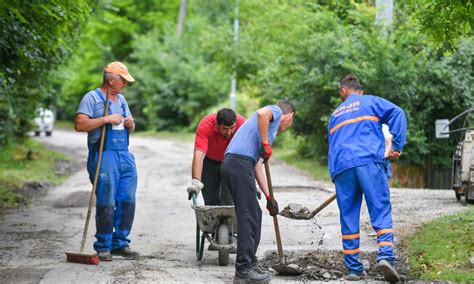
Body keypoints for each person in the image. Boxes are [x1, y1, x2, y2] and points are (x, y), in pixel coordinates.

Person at [328, 74, 406, 282]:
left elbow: (332, 146)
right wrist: (397, 146)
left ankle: (354, 268)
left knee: (348, 216)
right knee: (380, 208)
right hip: (368, 162)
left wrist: (335, 175)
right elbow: (398, 113)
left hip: (342, 167)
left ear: (344, 92)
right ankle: (386, 256)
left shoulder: (335, 114)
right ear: (358, 91)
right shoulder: (370, 101)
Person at [221, 100, 296, 283]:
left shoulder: (270, 131)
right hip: (239, 162)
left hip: (237, 164)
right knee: (248, 216)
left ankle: (250, 263)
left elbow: (258, 167)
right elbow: (262, 114)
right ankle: (243, 270)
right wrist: (264, 142)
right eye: (291, 121)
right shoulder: (276, 112)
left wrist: (269, 196)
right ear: (290, 116)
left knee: (255, 213)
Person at [75, 62, 140, 261]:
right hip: (103, 154)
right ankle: (103, 245)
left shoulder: (121, 100)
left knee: (127, 199)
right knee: (107, 200)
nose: (125, 86)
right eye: (123, 81)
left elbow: (131, 127)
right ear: (111, 80)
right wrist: (105, 119)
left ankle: (120, 243)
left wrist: (130, 123)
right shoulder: (92, 98)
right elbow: (79, 124)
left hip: (124, 154)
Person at [186, 108, 245, 206]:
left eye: (232, 127)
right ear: (217, 124)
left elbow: (248, 153)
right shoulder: (205, 125)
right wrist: (196, 182)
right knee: (211, 202)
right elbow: (199, 155)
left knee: (228, 201)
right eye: (225, 128)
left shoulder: (242, 125)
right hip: (209, 163)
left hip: (230, 163)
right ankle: (213, 221)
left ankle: (227, 221)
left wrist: (251, 181)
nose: (229, 132)